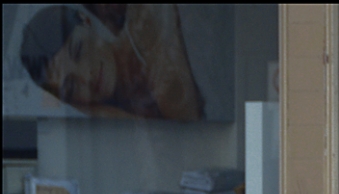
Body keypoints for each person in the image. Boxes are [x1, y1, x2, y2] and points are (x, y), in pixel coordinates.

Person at [19, 4, 204, 120]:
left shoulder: (147, 29)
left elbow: (187, 140)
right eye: (72, 86)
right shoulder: (112, 113)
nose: (87, 76)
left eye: (79, 51)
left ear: (86, 21)